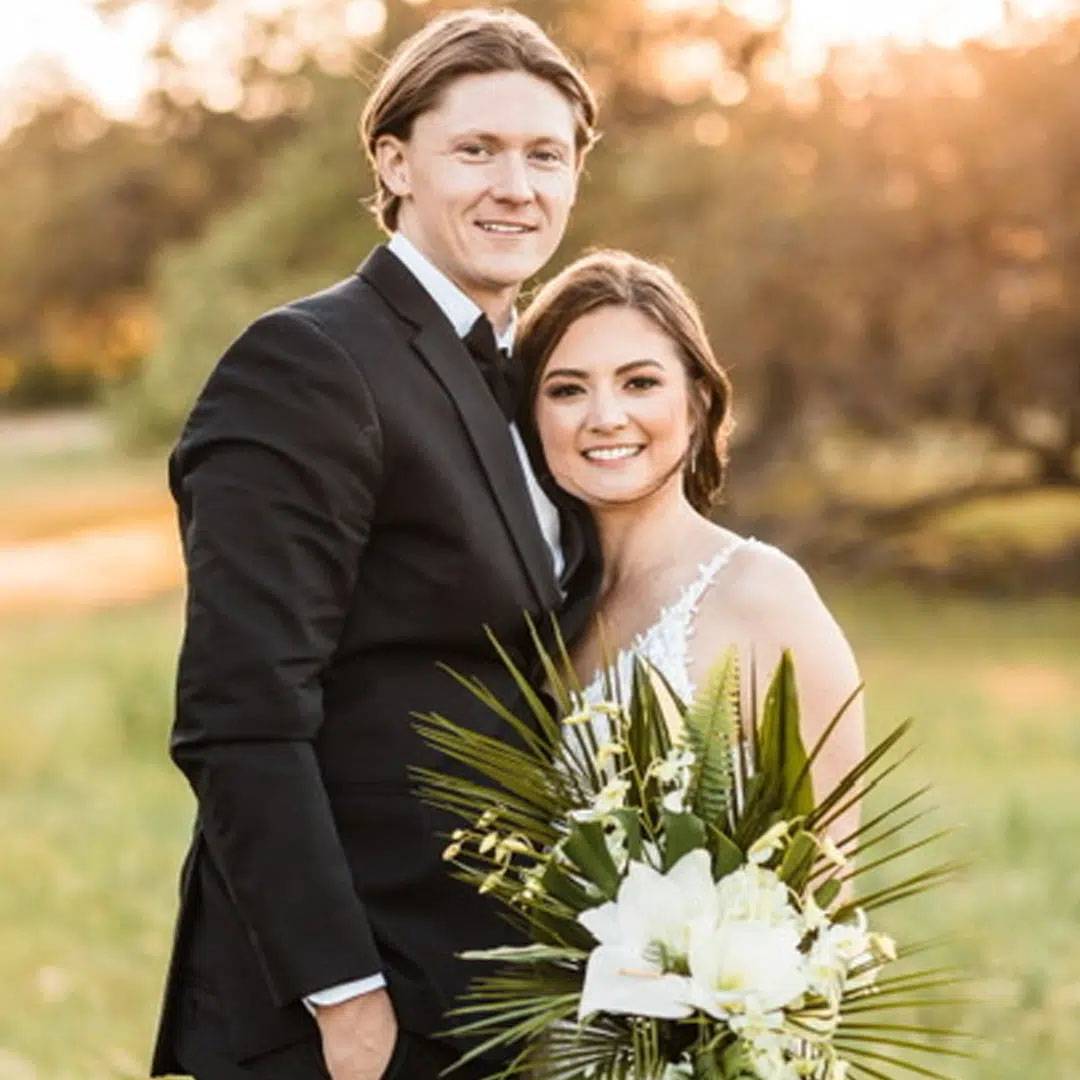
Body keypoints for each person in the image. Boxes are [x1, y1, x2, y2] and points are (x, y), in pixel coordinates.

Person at [150, 11, 601, 1080]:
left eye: (546, 155)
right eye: (476, 150)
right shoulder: (306, 364)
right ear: (395, 163)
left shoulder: (534, 375)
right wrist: (346, 1003)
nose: (517, 186)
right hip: (341, 1015)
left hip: (486, 987)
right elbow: (241, 713)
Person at [517, 250, 865, 839]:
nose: (606, 417)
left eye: (640, 383)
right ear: (530, 415)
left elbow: (830, 878)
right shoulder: (524, 601)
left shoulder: (762, 596)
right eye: (567, 390)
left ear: (697, 401)